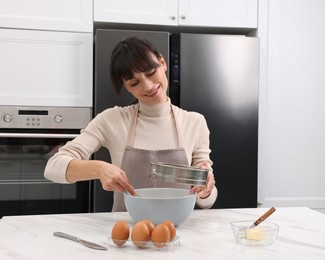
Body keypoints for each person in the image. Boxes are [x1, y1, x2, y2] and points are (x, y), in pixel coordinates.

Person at [44, 36, 217, 211]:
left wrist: (205, 191)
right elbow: (53, 167)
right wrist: (98, 168)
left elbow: (206, 200)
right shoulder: (112, 120)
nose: (148, 86)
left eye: (150, 73)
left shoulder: (195, 122)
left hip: (178, 233)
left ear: (163, 62)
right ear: (127, 87)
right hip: (127, 234)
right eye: (135, 83)